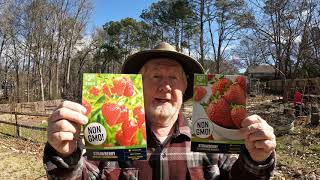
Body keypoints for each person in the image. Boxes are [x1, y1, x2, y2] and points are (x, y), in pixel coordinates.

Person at [43, 42, 276, 179]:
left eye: (174, 78)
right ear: (137, 86)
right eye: (155, 76)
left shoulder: (211, 143)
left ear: (185, 88)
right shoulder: (112, 141)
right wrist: (65, 155)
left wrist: (257, 158)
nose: (165, 86)